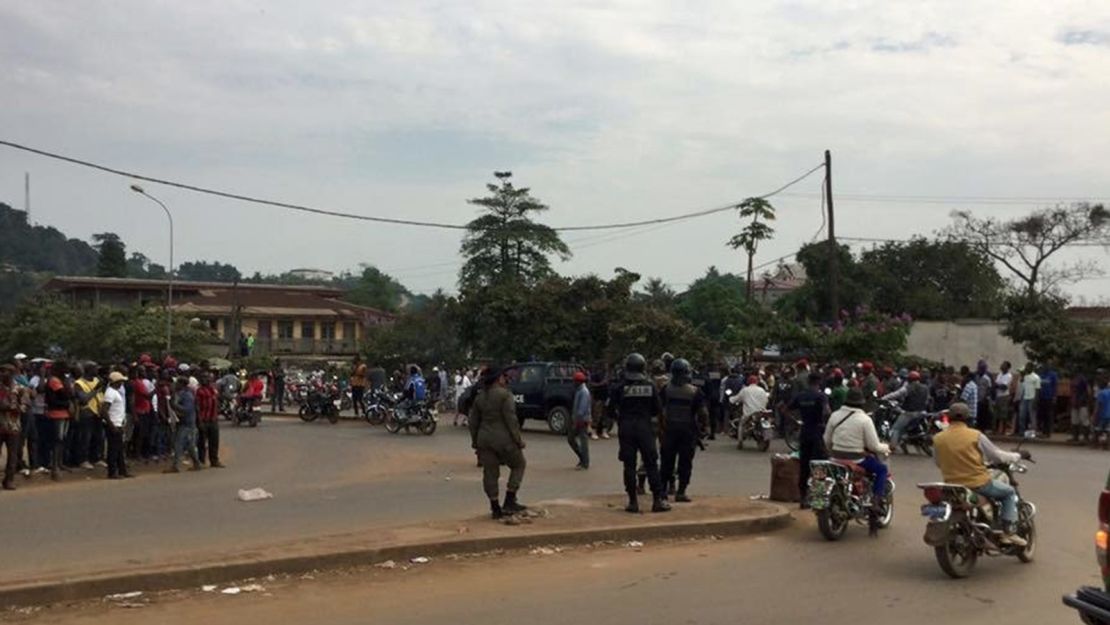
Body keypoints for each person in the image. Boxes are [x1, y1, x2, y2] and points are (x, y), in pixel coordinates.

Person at [933, 402, 1030, 546]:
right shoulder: (975, 435)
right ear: (968, 418)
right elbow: (997, 456)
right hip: (977, 484)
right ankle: (1008, 533)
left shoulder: (938, 438)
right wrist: (1017, 455)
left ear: (949, 417)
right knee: (1009, 493)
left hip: (951, 485)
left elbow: (938, 462)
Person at [823, 387, 889, 535]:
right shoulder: (865, 419)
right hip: (857, 460)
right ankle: (876, 502)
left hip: (835, 458)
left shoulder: (835, 416)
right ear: (861, 403)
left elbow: (827, 440)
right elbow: (873, 446)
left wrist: (833, 451)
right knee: (881, 470)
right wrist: (886, 447)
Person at [609, 353, 670, 514]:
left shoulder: (619, 387)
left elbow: (609, 411)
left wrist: (621, 417)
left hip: (626, 428)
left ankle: (633, 502)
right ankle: (657, 501)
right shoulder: (649, 386)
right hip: (645, 428)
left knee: (629, 466)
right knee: (651, 464)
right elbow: (657, 409)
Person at [468, 366, 527, 519]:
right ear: (498, 378)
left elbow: (473, 422)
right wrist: (518, 440)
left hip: (484, 439)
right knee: (519, 464)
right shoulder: (505, 395)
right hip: (504, 439)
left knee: (490, 473)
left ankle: (495, 507)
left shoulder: (479, 397)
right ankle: (510, 498)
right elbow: (511, 420)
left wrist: (475, 442)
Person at [659, 359, 707, 503]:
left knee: (667, 462)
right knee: (685, 463)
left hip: (669, 430)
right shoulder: (694, 391)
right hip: (688, 431)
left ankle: (662, 492)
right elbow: (703, 413)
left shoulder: (666, 389)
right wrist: (705, 428)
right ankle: (681, 492)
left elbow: (658, 409)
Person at [790, 372, 830, 507]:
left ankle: (803, 499)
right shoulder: (821, 396)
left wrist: (795, 421)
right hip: (818, 433)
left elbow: (784, 408)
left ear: (808, 381)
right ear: (819, 382)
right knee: (819, 464)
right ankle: (818, 500)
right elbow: (826, 412)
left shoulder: (800, 396)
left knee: (804, 466)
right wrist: (825, 422)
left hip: (805, 432)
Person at [881, 370, 930, 452]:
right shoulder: (925, 388)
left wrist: (883, 398)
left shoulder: (908, 387)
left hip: (909, 413)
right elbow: (927, 400)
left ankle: (892, 447)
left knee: (896, 428)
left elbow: (896, 394)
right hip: (922, 412)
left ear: (910, 379)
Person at [0, 365, 29, 490]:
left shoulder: (20, 388)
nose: (1, 374)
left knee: (13, 455)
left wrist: (16, 407)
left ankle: (9, 480)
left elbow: (26, 405)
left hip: (13, 426)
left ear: (12, 374)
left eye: (4, 371)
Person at [43, 361, 73, 481]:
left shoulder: (60, 380)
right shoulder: (54, 381)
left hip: (63, 412)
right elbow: (65, 395)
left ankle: (59, 464)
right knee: (57, 440)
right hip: (56, 413)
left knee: (61, 440)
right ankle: (55, 467)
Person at [166, 377, 201, 473]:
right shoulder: (183, 394)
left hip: (187, 423)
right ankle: (196, 463)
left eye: (177, 383)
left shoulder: (187, 396)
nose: (175, 385)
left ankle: (175, 466)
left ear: (182, 384)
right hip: (187, 423)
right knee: (190, 445)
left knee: (178, 444)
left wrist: (174, 405)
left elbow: (187, 410)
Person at [100, 372, 131, 480]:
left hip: (118, 423)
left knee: (119, 449)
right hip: (113, 423)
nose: (122, 383)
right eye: (120, 381)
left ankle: (122, 470)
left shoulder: (115, 392)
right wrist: (111, 425)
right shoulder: (110, 393)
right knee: (113, 449)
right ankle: (112, 472)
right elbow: (104, 410)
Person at [72, 363, 102, 470]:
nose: (97, 371)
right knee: (85, 438)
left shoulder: (97, 380)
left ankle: (96, 458)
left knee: (98, 437)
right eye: (95, 369)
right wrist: (95, 390)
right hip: (86, 412)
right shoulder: (79, 383)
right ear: (89, 370)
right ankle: (83, 460)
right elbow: (83, 399)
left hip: (97, 412)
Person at [196, 373, 224, 468]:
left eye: (207, 378)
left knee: (214, 441)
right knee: (202, 442)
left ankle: (214, 460)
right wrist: (199, 421)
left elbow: (218, 401)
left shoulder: (213, 390)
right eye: (203, 378)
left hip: (213, 419)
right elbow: (197, 407)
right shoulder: (200, 391)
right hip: (204, 419)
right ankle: (201, 461)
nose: (206, 380)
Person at [569, 371, 591, 470]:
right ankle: (582, 458)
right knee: (572, 439)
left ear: (578, 381)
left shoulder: (584, 392)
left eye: (575, 381)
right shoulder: (579, 390)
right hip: (579, 419)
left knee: (583, 442)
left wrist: (576, 422)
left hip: (582, 420)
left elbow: (581, 410)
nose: (573, 383)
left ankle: (584, 462)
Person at [1018, 364, 1040, 439]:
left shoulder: (1036, 377)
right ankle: (1022, 431)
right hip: (1025, 397)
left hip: (1032, 398)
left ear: (1031, 368)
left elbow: (1037, 390)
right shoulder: (1025, 376)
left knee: (1032, 416)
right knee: (1022, 415)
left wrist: (1035, 400)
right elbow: (1023, 387)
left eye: (1028, 367)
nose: (1026, 368)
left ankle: (1033, 432)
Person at [1071, 373, 1092, 444]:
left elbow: (1088, 392)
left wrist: (1085, 400)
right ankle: (1075, 437)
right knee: (1074, 420)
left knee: (1084, 421)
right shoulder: (1074, 380)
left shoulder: (1083, 380)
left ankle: (1086, 438)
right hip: (1074, 403)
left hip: (1082, 404)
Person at [1039, 364, 1059, 438]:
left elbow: (1055, 386)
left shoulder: (1053, 375)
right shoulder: (1041, 375)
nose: (1045, 367)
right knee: (1042, 415)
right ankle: (1043, 431)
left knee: (1049, 415)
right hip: (1042, 397)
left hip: (1049, 398)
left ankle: (1048, 432)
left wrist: (1054, 397)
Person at [994, 361, 1014, 436]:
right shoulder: (1000, 374)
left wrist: (998, 385)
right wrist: (998, 385)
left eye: (1003, 365)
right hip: (998, 396)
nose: (1001, 366)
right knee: (997, 413)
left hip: (1004, 396)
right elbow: (995, 384)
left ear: (1007, 367)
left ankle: (1003, 430)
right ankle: (996, 430)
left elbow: (1004, 387)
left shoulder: (1009, 376)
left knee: (1003, 414)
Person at [975, 360, 994, 433]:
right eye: (980, 368)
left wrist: (985, 397)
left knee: (983, 414)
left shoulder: (987, 378)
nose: (980, 369)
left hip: (983, 400)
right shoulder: (976, 377)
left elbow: (989, 389)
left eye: (983, 368)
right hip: (976, 398)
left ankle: (983, 429)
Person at [1095, 380, 1110, 450]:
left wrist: (1095, 414)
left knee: (1099, 430)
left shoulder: (1101, 393)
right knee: (1108, 430)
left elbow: (1099, 405)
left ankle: (1099, 444)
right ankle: (1107, 445)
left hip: (1103, 414)